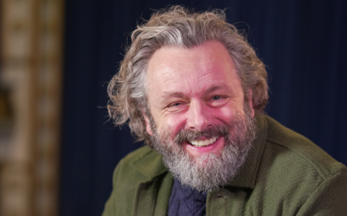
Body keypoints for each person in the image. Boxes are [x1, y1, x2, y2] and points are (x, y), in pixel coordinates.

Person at [103, 6, 347, 216]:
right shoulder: (130, 175)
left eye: (217, 97)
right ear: (147, 119)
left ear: (249, 98)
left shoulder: (316, 188)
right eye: (176, 103)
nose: (199, 122)